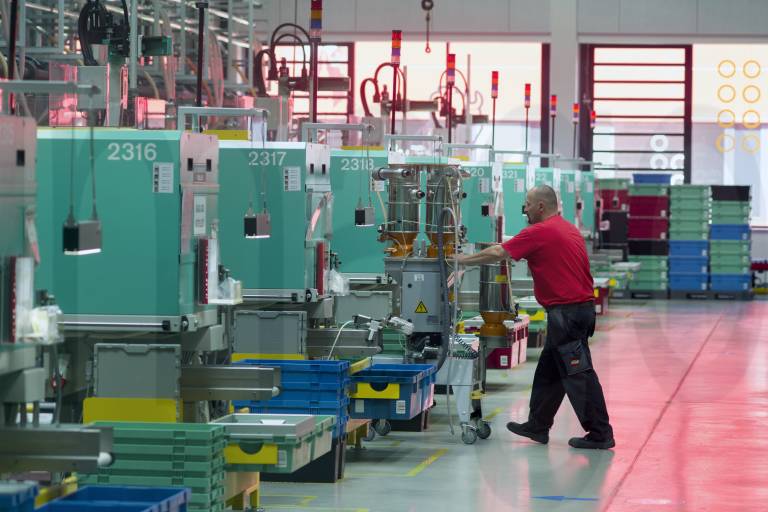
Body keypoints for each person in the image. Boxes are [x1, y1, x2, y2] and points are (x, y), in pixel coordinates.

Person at [456, 185, 614, 449]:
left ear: (541, 206)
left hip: (567, 314)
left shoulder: (540, 231)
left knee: (578, 374)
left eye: (528, 204)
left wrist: (461, 260)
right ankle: (538, 425)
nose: (525, 209)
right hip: (576, 311)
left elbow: (498, 252)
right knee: (549, 372)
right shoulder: (566, 228)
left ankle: (600, 433)